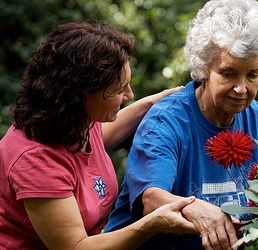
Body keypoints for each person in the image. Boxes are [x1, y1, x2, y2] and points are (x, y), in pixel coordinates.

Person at [104, 0, 258, 249]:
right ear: (204, 67)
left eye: (253, 74)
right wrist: (193, 207)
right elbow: (151, 199)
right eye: (228, 73)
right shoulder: (166, 122)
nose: (242, 88)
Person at [0, 21, 198, 249]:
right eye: (118, 89)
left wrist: (156, 101)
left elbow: (101, 136)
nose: (129, 95)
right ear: (81, 93)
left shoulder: (76, 122)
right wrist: (150, 224)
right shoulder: (35, 160)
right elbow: (76, 247)